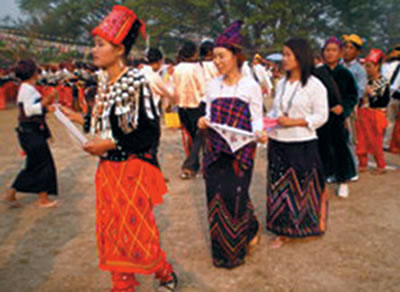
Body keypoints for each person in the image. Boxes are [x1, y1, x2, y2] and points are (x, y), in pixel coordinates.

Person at [61, 6, 177, 292]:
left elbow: (148, 133)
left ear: (119, 49)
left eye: (100, 45)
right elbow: (105, 124)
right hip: (108, 172)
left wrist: (110, 144)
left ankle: (164, 273)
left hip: (133, 170)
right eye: (95, 44)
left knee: (136, 232)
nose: (94, 51)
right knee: (112, 233)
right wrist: (79, 118)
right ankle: (123, 285)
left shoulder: (136, 82)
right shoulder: (103, 83)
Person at [197, 21, 267, 268]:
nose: (216, 61)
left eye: (221, 56)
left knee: (235, 196)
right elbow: (208, 113)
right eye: (214, 57)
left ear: (236, 56)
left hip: (241, 151)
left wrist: (259, 133)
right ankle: (222, 251)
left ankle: (235, 252)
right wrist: (203, 121)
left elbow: (257, 118)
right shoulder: (212, 85)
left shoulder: (251, 86)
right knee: (215, 197)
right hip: (215, 150)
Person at [266, 38, 328, 249]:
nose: (283, 59)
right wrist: (268, 122)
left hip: (302, 143)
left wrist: (296, 121)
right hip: (278, 141)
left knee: (302, 186)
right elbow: (276, 110)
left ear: (300, 57)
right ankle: (282, 230)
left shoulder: (315, 85)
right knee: (279, 187)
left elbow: (321, 116)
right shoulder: (282, 83)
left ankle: (305, 226)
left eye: (287, 55)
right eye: (283, 54)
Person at [1, 59, 57, 208]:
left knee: (33, 164)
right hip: (30, 132)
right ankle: (43, 198)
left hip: (29, 131)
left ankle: (11, 193)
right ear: (33, 73)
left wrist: (46, 107)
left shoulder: (27, 88)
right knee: (44, 164)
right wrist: (47, 101)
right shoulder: (27, 89)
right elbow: (29, 110)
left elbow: (32, 109)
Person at [322, 36, 358, 198]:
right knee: (322, 147)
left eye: (333, 50)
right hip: (321, 117)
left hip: (337, 118)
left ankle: (343, 181)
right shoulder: (318, 72)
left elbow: (352, 95)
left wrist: (343, 107)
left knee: (340, 147)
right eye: (327, 50)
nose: (330, 53)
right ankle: (328, 174)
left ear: (340, 52)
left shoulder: (345, 74)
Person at [173, 40, 206, 179]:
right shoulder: (196, 68)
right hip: (196, 105)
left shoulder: (177, 68)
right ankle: (190, 165)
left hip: (182, 107)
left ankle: (196, 164)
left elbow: (173, 88)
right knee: (199, 137)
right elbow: (203, 88)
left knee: (194, 137)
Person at [356, 49, 391, 174]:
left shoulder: (383, 82)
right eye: (366, 66)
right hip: (364, 113)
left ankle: (381, 165)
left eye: (369, 66)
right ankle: (363, 164)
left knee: (375, 141)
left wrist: (370, 95)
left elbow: (384, 101)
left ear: (377, 66)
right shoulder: (368, 81)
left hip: (376, 114)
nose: (367, 69)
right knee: (361, 139)